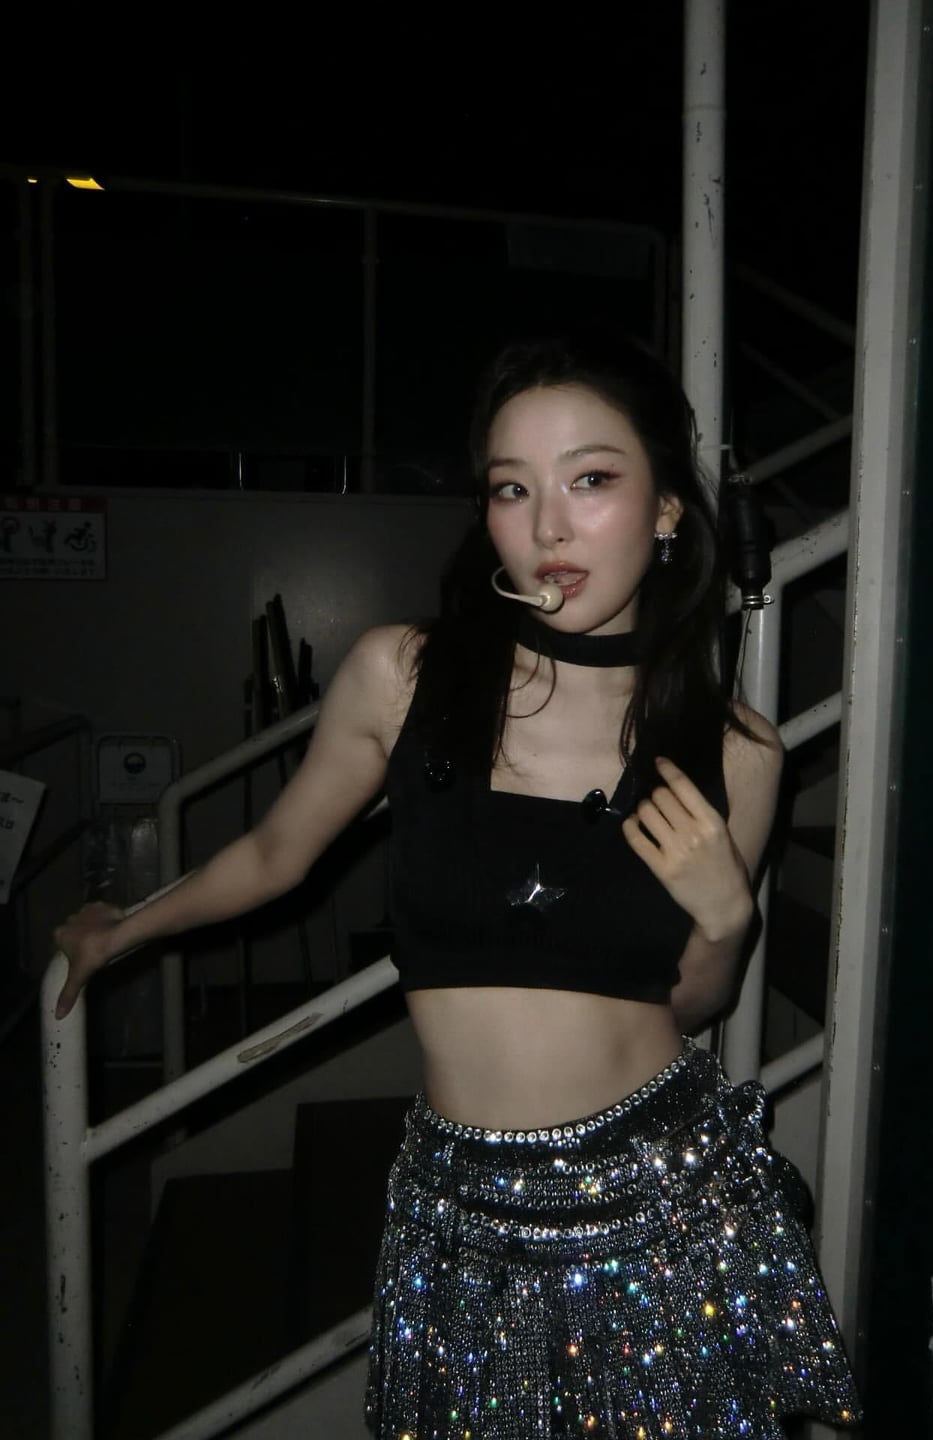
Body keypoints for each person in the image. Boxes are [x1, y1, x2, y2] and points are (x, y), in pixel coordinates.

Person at [54, 331, 860, 1437]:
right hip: (454, 1209)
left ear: (668, 508)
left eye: (590, 480)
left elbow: (688, 1003)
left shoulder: (737, 753)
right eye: (512, 489)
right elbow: (276, 853)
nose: (547, 529)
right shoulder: (405, 676)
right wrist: (127, 929)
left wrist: (728, 917)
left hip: (654, 1202)